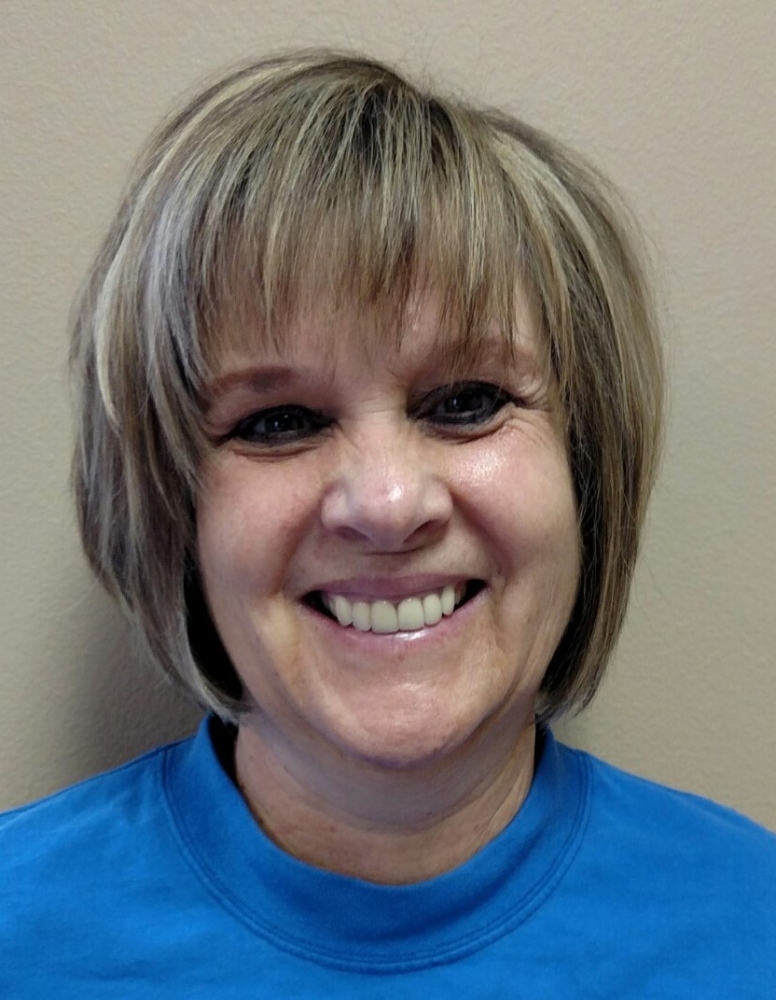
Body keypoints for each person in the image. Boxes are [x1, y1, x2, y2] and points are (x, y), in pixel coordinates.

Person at [1, 50, 774, 996]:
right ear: (173, 510)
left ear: (583, 469)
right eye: (278, 422)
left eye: (468, 401)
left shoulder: (754, 927)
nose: (388, 504)